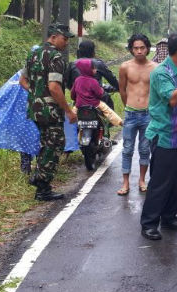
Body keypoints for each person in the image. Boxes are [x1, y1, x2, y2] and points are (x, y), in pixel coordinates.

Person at [140, 33, 177, 241]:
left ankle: (169, 217)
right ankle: (148, 223)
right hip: (164, 136)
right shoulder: (161, 73)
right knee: (160, 182)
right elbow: (173, 100)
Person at [23, 23, 77, 201]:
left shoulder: (33, 53)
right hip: (50, 111)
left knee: (46, 143)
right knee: (55, 144)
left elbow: (22, 81)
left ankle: (39, 178)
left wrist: (37, 94)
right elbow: (54, 87)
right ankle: (42, 185)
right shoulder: (56, 57)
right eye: (65, 38)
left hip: (35, 109)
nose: (66, 42)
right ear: (53, 37)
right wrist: (68, 110)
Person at [118, 34, 156, 196]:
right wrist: (129, 105)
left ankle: (142, 180)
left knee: (145, 149)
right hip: (131, 114)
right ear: (131, 49)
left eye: (142, 47)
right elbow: (122, 89)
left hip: (148, 115)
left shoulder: (155, 67)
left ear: (147, 48)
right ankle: (125, 183)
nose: (139, 51)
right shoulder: (125, 67)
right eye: (136, 48)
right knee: (127, 149)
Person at [64, 39, 119, 110]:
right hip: (98, 102)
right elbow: (112, 80)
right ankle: (112, 121)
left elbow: (68, 84)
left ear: (79, 52)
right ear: (93, 52)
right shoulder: (98, 64)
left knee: (73, 116)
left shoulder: (72, 64)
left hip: (79, 102)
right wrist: (119, 87)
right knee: (110, 111)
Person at [70, 58, 123, 126]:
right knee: (107, 111)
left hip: (79, 105)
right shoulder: (93, 81)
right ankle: (119, 122)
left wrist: (76, 99)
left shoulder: (77, 80)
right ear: (88, 70)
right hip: (94, 104)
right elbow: (99, 94)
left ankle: (69, 130)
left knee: (72, 115)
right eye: (93, 68)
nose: (95, 70)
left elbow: (72, 94)